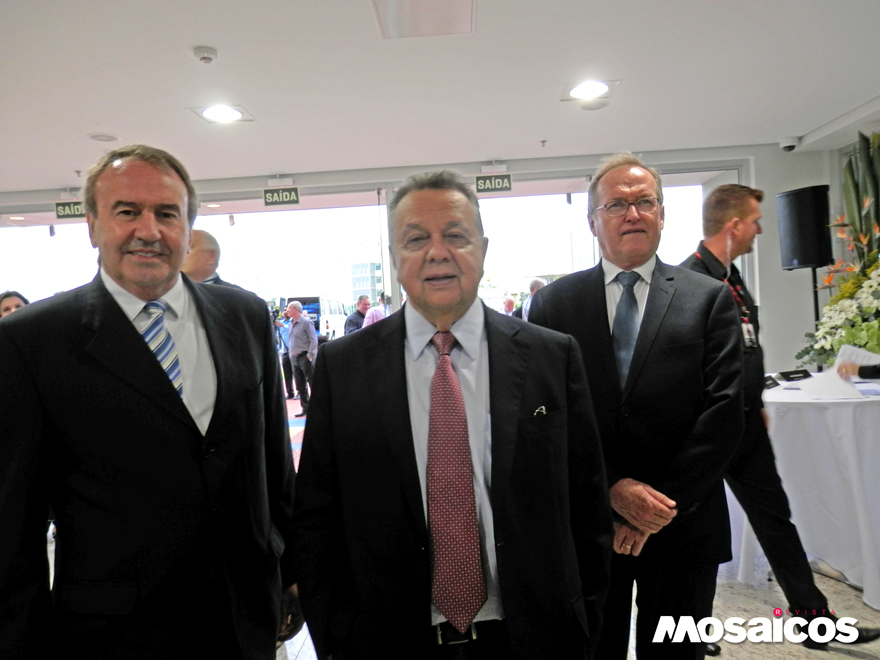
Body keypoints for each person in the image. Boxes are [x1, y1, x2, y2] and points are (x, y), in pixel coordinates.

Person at [294, 170, 613, 660]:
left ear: (483, 250)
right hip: (388, 641)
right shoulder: (343, 367)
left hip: (533, 637)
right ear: (396, 257)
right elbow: (317, 515)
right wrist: (337, 634)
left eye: (456, 236)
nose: (437, 252)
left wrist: (584, 621)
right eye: (416, 239)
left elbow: (587, 504)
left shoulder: (553, 356)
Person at [0, 145, 299, 659]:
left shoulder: (245, 316)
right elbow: (11, 524)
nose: (149, 230)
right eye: (126, 212)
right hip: (113, 635)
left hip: (244, 619)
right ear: (92, 225)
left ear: (187, 225)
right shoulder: (32, 341)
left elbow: (274, 466)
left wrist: (291, 575)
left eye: (166, 213)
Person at [529, 152, 743, 660]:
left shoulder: (709, 298)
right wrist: (611, 488)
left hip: (684, 524)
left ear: (663, 214)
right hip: (588, 526)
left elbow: (724, 413)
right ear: (592, 221)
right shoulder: (553, 305)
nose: (633, 213)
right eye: (617, 204)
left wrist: (655, 506)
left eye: (645, 201)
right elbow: (542, 416)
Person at [682, 184, 880, 653]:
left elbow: (744, 348)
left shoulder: (733, 278)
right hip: (707, 429)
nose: (759, 230)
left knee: (776, 521)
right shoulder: (690, 281)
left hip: (746, 425)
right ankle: (690, 628)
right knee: (698, 534)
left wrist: (757, 402)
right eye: (754, 221)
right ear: (733, 226)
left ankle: (814, 622)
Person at [288, 300, 317, 417]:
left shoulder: (306, 323)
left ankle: (317, 407)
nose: (287, 311)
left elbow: (313, 339)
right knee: (300, 385)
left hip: (305, 356)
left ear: (296, 309)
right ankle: (306, 408)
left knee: (312, 382)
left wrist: (310, 355)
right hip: (294, 358)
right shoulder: (290, 323)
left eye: (289, 309)